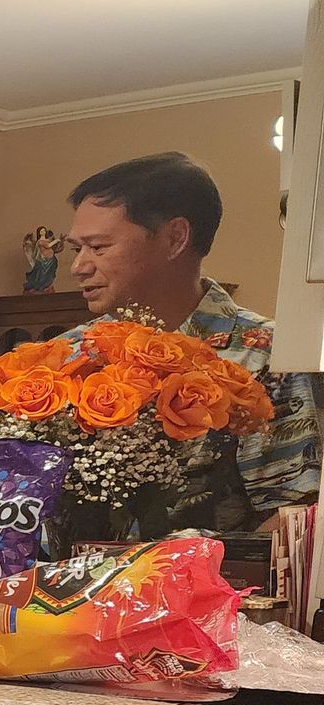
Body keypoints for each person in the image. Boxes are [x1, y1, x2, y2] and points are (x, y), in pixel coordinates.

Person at [65, 151, 320, 530]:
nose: (78, 267)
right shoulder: (67, 354)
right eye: (76, 249)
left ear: (175, 238)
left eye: (99, 247)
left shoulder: (265, 354)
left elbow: (291, 516)